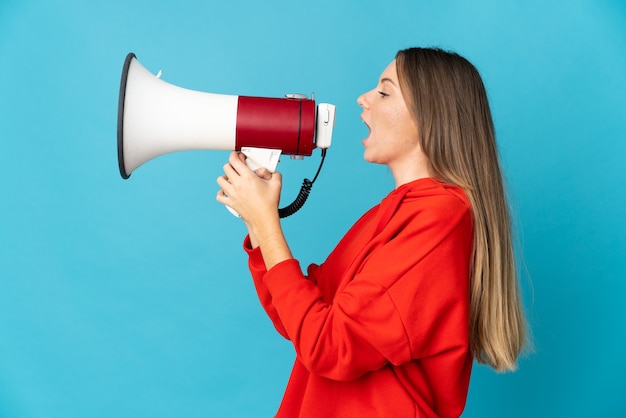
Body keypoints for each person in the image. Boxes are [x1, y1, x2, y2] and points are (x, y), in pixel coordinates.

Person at [216, 47, 528, 418]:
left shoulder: (439, 218)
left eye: (384, 91)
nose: (363, 99)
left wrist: (268, 224)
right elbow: (299, 319)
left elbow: (328, 345)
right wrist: (257, 222)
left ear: (431, 115)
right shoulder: (393, 213)